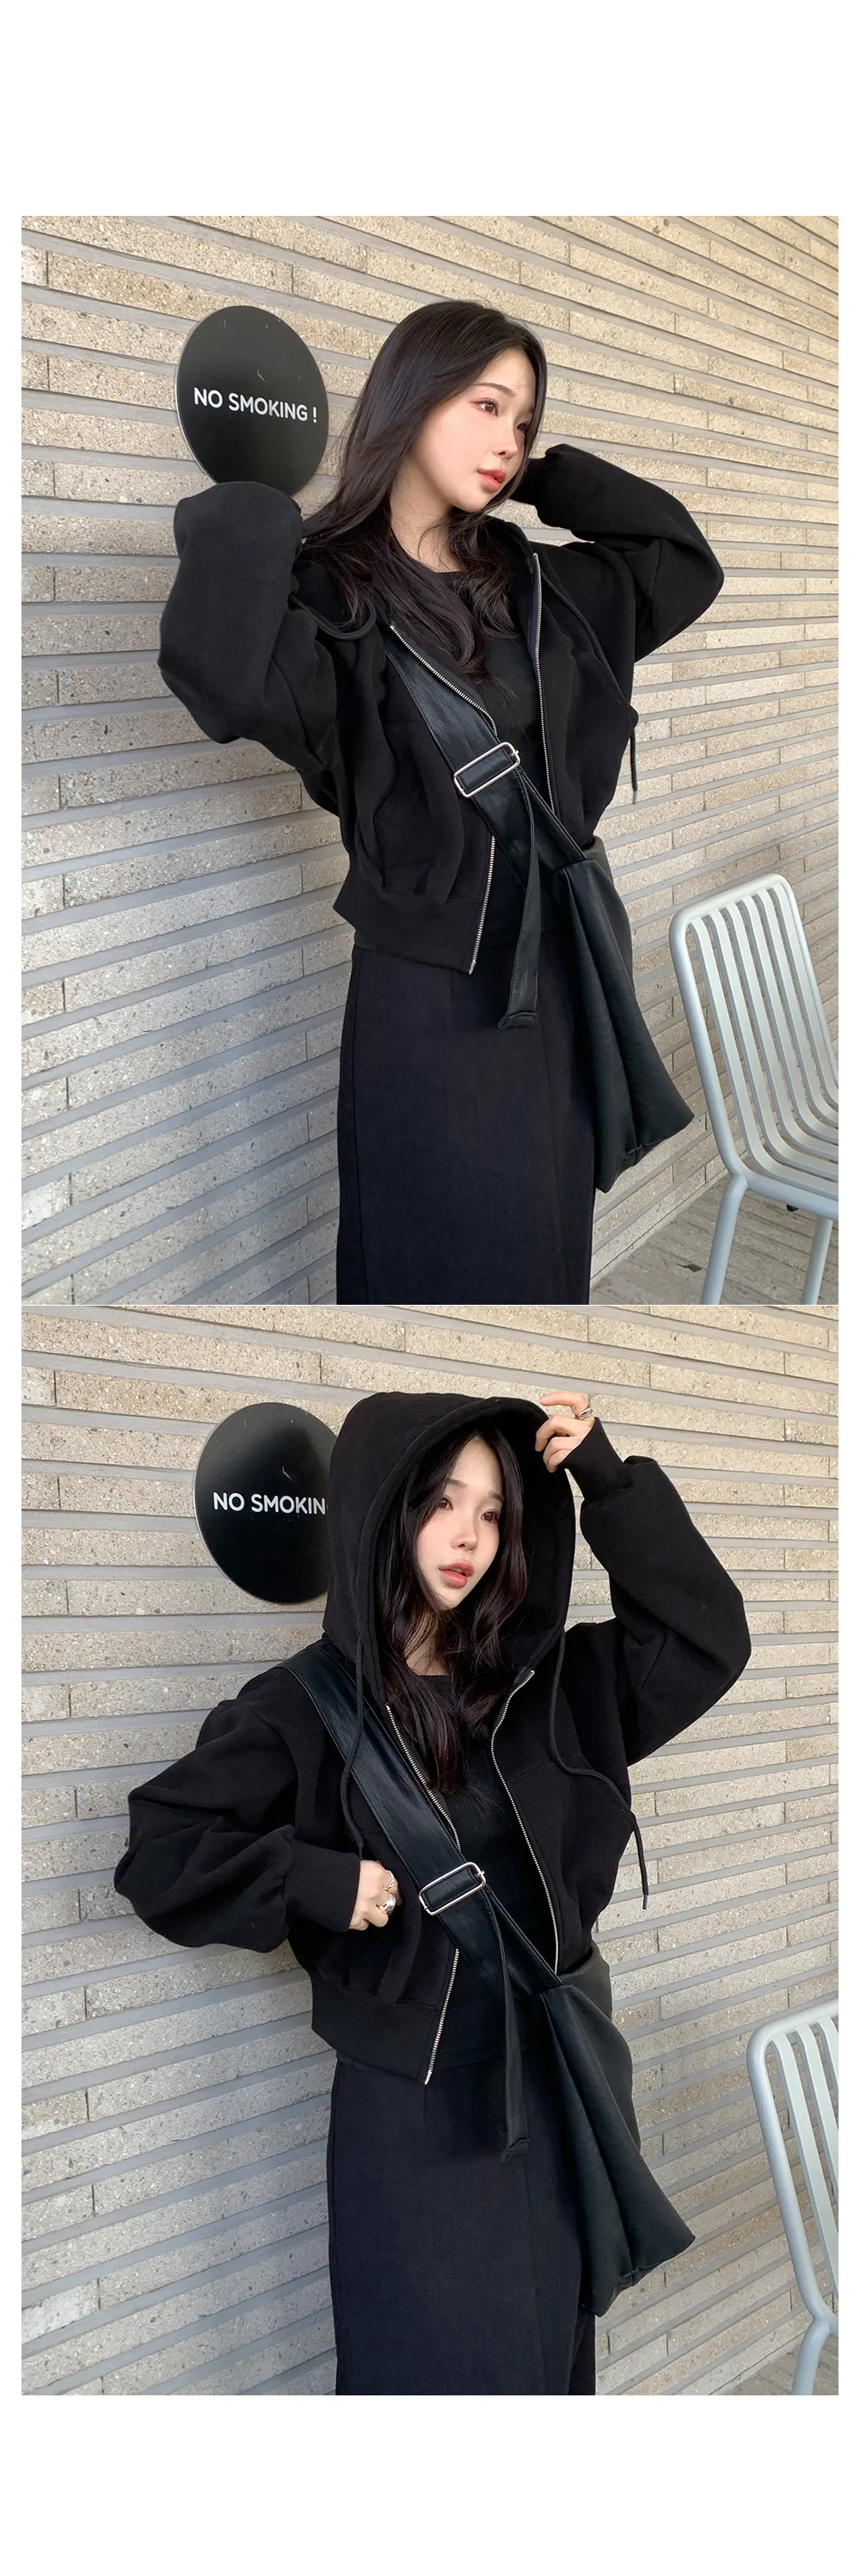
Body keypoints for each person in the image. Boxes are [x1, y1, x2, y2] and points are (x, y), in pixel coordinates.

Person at [115, 1385, 751, 2395]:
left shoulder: (550, 1688)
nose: (469, 1537)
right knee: (435, 2380)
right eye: (442, 1503)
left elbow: (706, 1641)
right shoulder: (304, 1709)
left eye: (493, 1512)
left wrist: (605, 1481)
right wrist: (315, 1879)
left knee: (549, 2371)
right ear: (383, 1511)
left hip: (555, 2084)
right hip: (414, 2121)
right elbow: (161, 1848)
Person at [159, 298, 723, 1303]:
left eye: (524, 420)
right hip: (435, 995)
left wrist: (538, 477)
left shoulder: (533, 580)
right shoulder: (324, 596)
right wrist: (256, 496)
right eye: (484, 405)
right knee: (439, 1263)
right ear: (409, 399)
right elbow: (220, 676)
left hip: (564, 968)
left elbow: (680, 563)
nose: (507, 440)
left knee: (548, 1258)